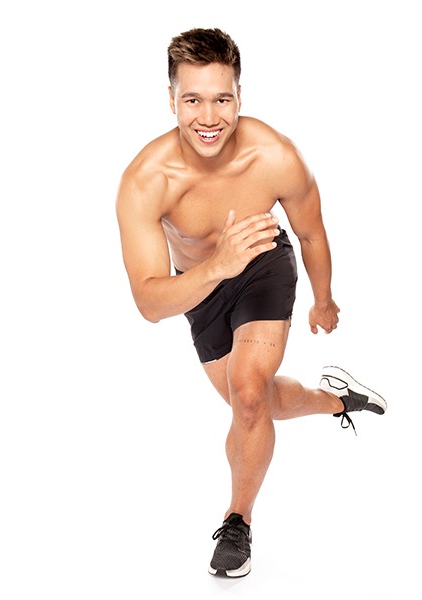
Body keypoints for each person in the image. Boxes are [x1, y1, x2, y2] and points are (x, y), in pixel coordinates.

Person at [115, 27, 386, 578]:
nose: (208, 117)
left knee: (250, 396)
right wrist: (216, 267)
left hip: (263, 263)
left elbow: (310, 232)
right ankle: (337, 402)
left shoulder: (275, 154)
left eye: (222, 98)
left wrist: (324, 299)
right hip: (199, 286)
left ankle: (237, 521)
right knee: (252, 402)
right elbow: (148, 301)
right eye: (192, 99)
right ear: (171, 99)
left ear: (240, 95)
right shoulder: (147, 180)